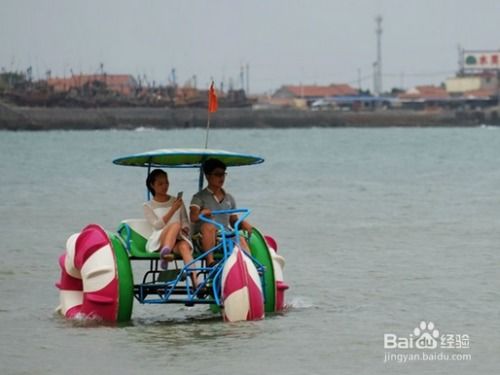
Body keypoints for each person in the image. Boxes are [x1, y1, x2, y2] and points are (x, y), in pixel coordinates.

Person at [190, 158, 253, 266]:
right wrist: (202, 213)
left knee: (241, 238)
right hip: (203, 238)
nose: (221, 178)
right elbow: (193, 217)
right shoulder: (199, 197)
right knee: (209, 226)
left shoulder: (229, 198)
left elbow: (233, 221)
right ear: (208, 176)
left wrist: (243, 224)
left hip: (224, 235)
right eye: (218, 174)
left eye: (223, 174)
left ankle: (249, 267)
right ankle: (210, 261)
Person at [143, 169, 198, 287]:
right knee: (175, 224)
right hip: (161, 239)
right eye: (160, 184)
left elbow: (185, 221)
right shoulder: (148, 206)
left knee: (184, 247)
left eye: (166, 182)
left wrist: (185, 229)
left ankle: (195, 282)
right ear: (152, 185)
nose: (165, 186)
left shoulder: (176, 200)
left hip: (178, 237)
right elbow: (157, 225)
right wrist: (173, 209)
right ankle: (165, 252)